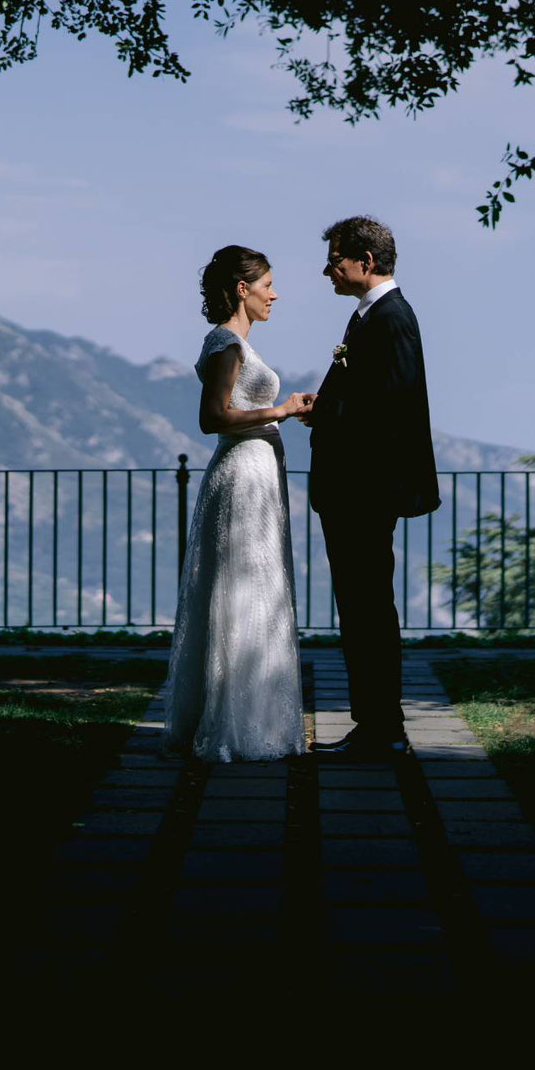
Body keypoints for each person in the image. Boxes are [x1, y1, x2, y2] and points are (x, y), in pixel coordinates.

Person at [162, 246, 316, 763]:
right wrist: (283, 409)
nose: (275, 294)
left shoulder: (237, 343)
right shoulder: (226, 343)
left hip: (258, 471)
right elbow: (213, 417)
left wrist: (284, 413)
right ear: (242, 289)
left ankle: (255, 716)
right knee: (242, 587)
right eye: (268, 284)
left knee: (257, 589)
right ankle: (235, 723)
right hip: (243, 474)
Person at [300, 216, 441, 760]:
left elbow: (392, 408)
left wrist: (330, 415)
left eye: (336, 259)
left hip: (363, 492)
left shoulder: (390, 319)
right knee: (360, 608)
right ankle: (376, 725)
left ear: (367, 260)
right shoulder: (370, 317)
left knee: (368, 609)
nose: (327, 269)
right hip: (354, 490)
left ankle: (383, 728)